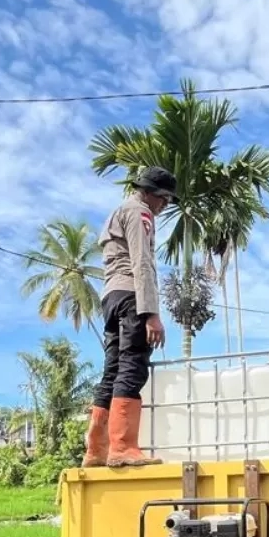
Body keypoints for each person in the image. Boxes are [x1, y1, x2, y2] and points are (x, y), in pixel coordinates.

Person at [85, 165, 174, 468]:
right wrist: (151, 313)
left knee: (112, 370)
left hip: (111, 296)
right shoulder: (140, 212)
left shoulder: (118, 211)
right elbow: (142, 262)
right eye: (164, 198)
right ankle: (122, 447)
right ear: (150, 193)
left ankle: (96, 450)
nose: (165, 205)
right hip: (131, 295)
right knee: (132, 367)